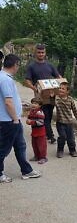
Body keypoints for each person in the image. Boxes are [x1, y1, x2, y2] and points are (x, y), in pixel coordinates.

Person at [0, 54, 41, 183]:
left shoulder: (4, 77)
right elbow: (8, 102)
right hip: (9, 121)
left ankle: (26, 170)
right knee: (3, 149)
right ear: (15, 65)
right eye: (18, 65)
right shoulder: (5, 80)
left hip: (12, 119)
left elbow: (9, 99)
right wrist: (15, 119)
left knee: (20, 145)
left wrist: (21, 104)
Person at [25, 43, 61, 144]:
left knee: (48, 115)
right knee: (44, 114)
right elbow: (27, 80)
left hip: (51, 95)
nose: (41, 54)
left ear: (45, 53)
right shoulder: (31, 66)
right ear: (35, 53)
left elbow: (58, 76)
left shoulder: (50, 65)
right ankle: (51, 136)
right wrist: (34, 88)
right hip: (40, 96)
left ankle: (45, 131)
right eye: (39, 52)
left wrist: (61, 84)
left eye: (42, 52)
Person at [55, 82, 77, 158]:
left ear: (67, 91)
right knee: (62, 137)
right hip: (60, 122)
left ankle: (72, 150)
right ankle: (60, 150)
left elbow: (75, 110)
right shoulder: (56, 98)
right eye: (59, 88)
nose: (60, 90)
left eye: (63, 89)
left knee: (71, 138)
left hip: (69, 123)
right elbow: (49, 101)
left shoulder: (70, 100)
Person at [26, 97, 48, 164]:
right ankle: (36, 156)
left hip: (40, 133)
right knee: (34, 145)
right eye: (32, 103)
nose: (33, 105)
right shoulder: (32, 111)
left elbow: (41, 122)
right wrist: (28, 120)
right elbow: (30, 118)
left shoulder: (39, 112)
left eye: (35, 103)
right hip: (34, 132)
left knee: (41, 145)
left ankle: (43, 157)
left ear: (40, 105)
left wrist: (31, 122)